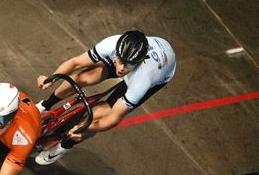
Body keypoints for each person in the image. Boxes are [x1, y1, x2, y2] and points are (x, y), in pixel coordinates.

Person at [34, 30, 176, 165]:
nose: (121, 68)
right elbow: (75, 63)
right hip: (149, 53)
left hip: (160, 72)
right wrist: (51, 78)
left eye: (128, 65)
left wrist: (84, 128)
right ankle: (45, 105)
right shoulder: (111, 44)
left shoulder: (142, 81)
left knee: (97, 115)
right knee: (84, 77)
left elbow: (113, 118)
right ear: (118, 52)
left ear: (139, 61)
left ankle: (63, 147)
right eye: (120, 60)